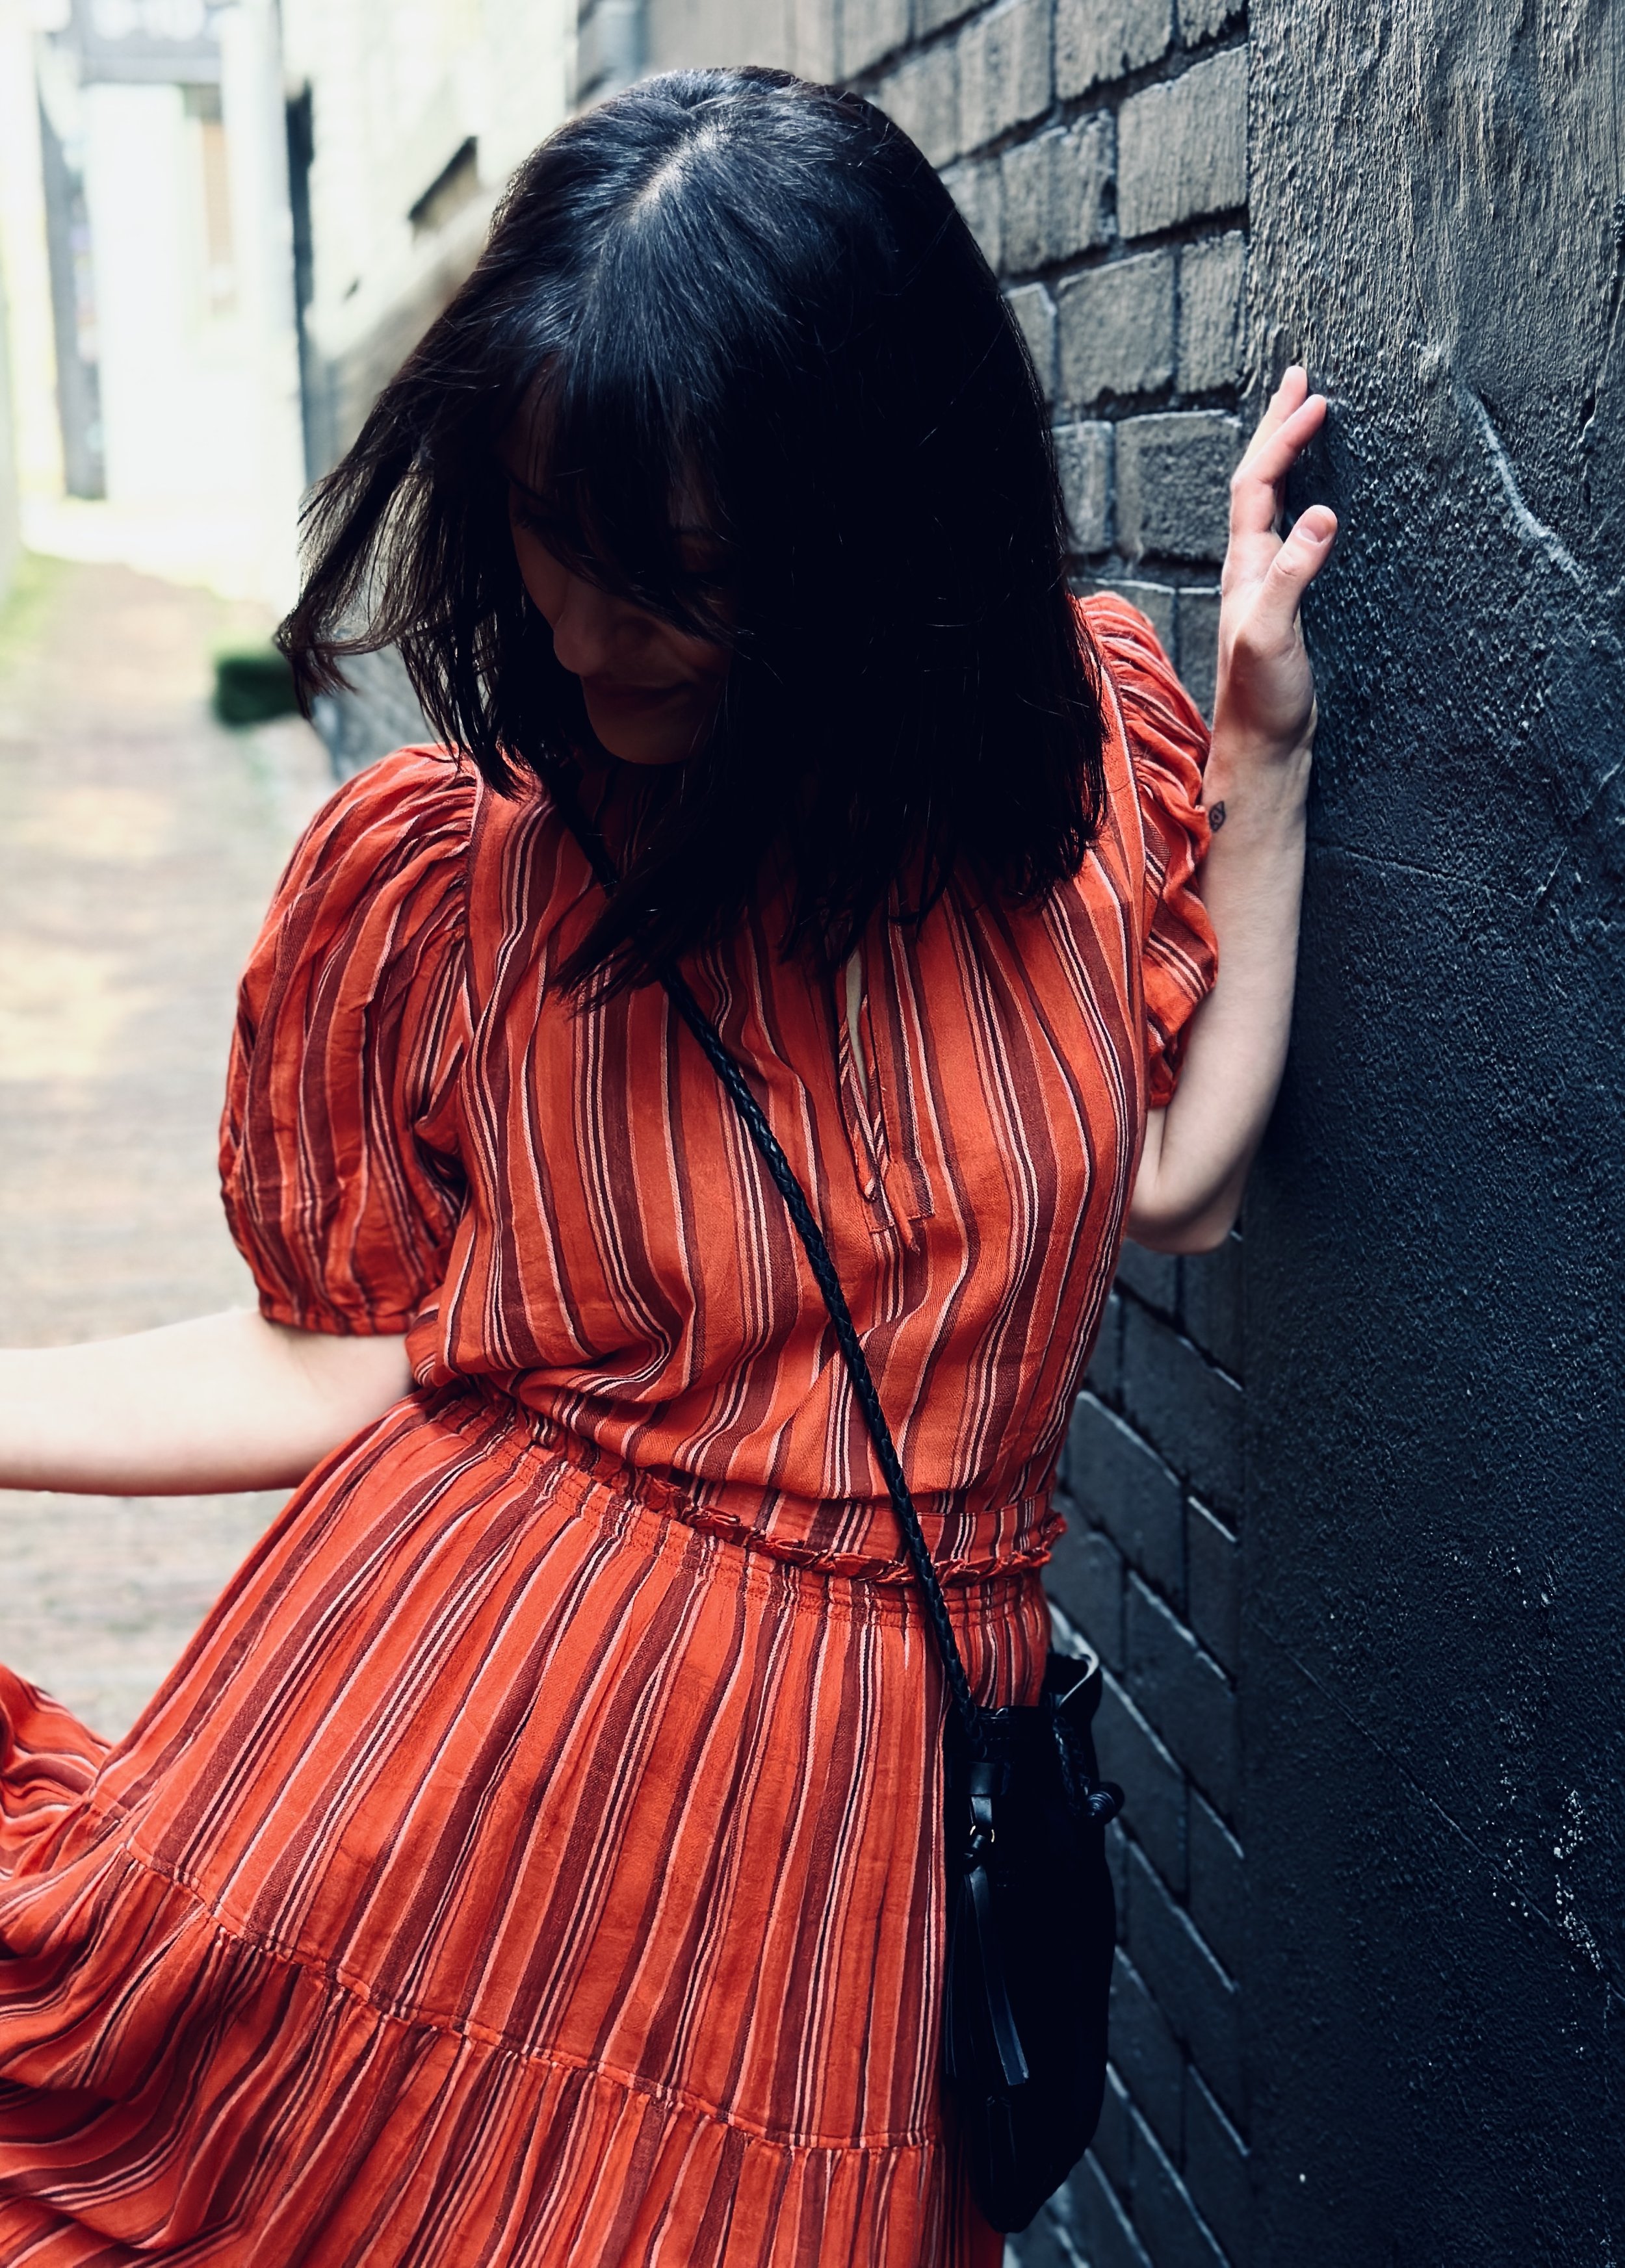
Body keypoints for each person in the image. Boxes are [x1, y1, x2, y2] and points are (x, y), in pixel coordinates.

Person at [0, 66, 1334, 2268]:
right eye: (545, 528)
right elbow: (347, 1369)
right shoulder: (479, 896)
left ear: (861, 534)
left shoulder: (1085, 768)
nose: (586, 625)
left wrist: (1264, 760)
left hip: (848, 1857)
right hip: (473, 1767)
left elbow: (1173, 1181)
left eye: (674, 570)